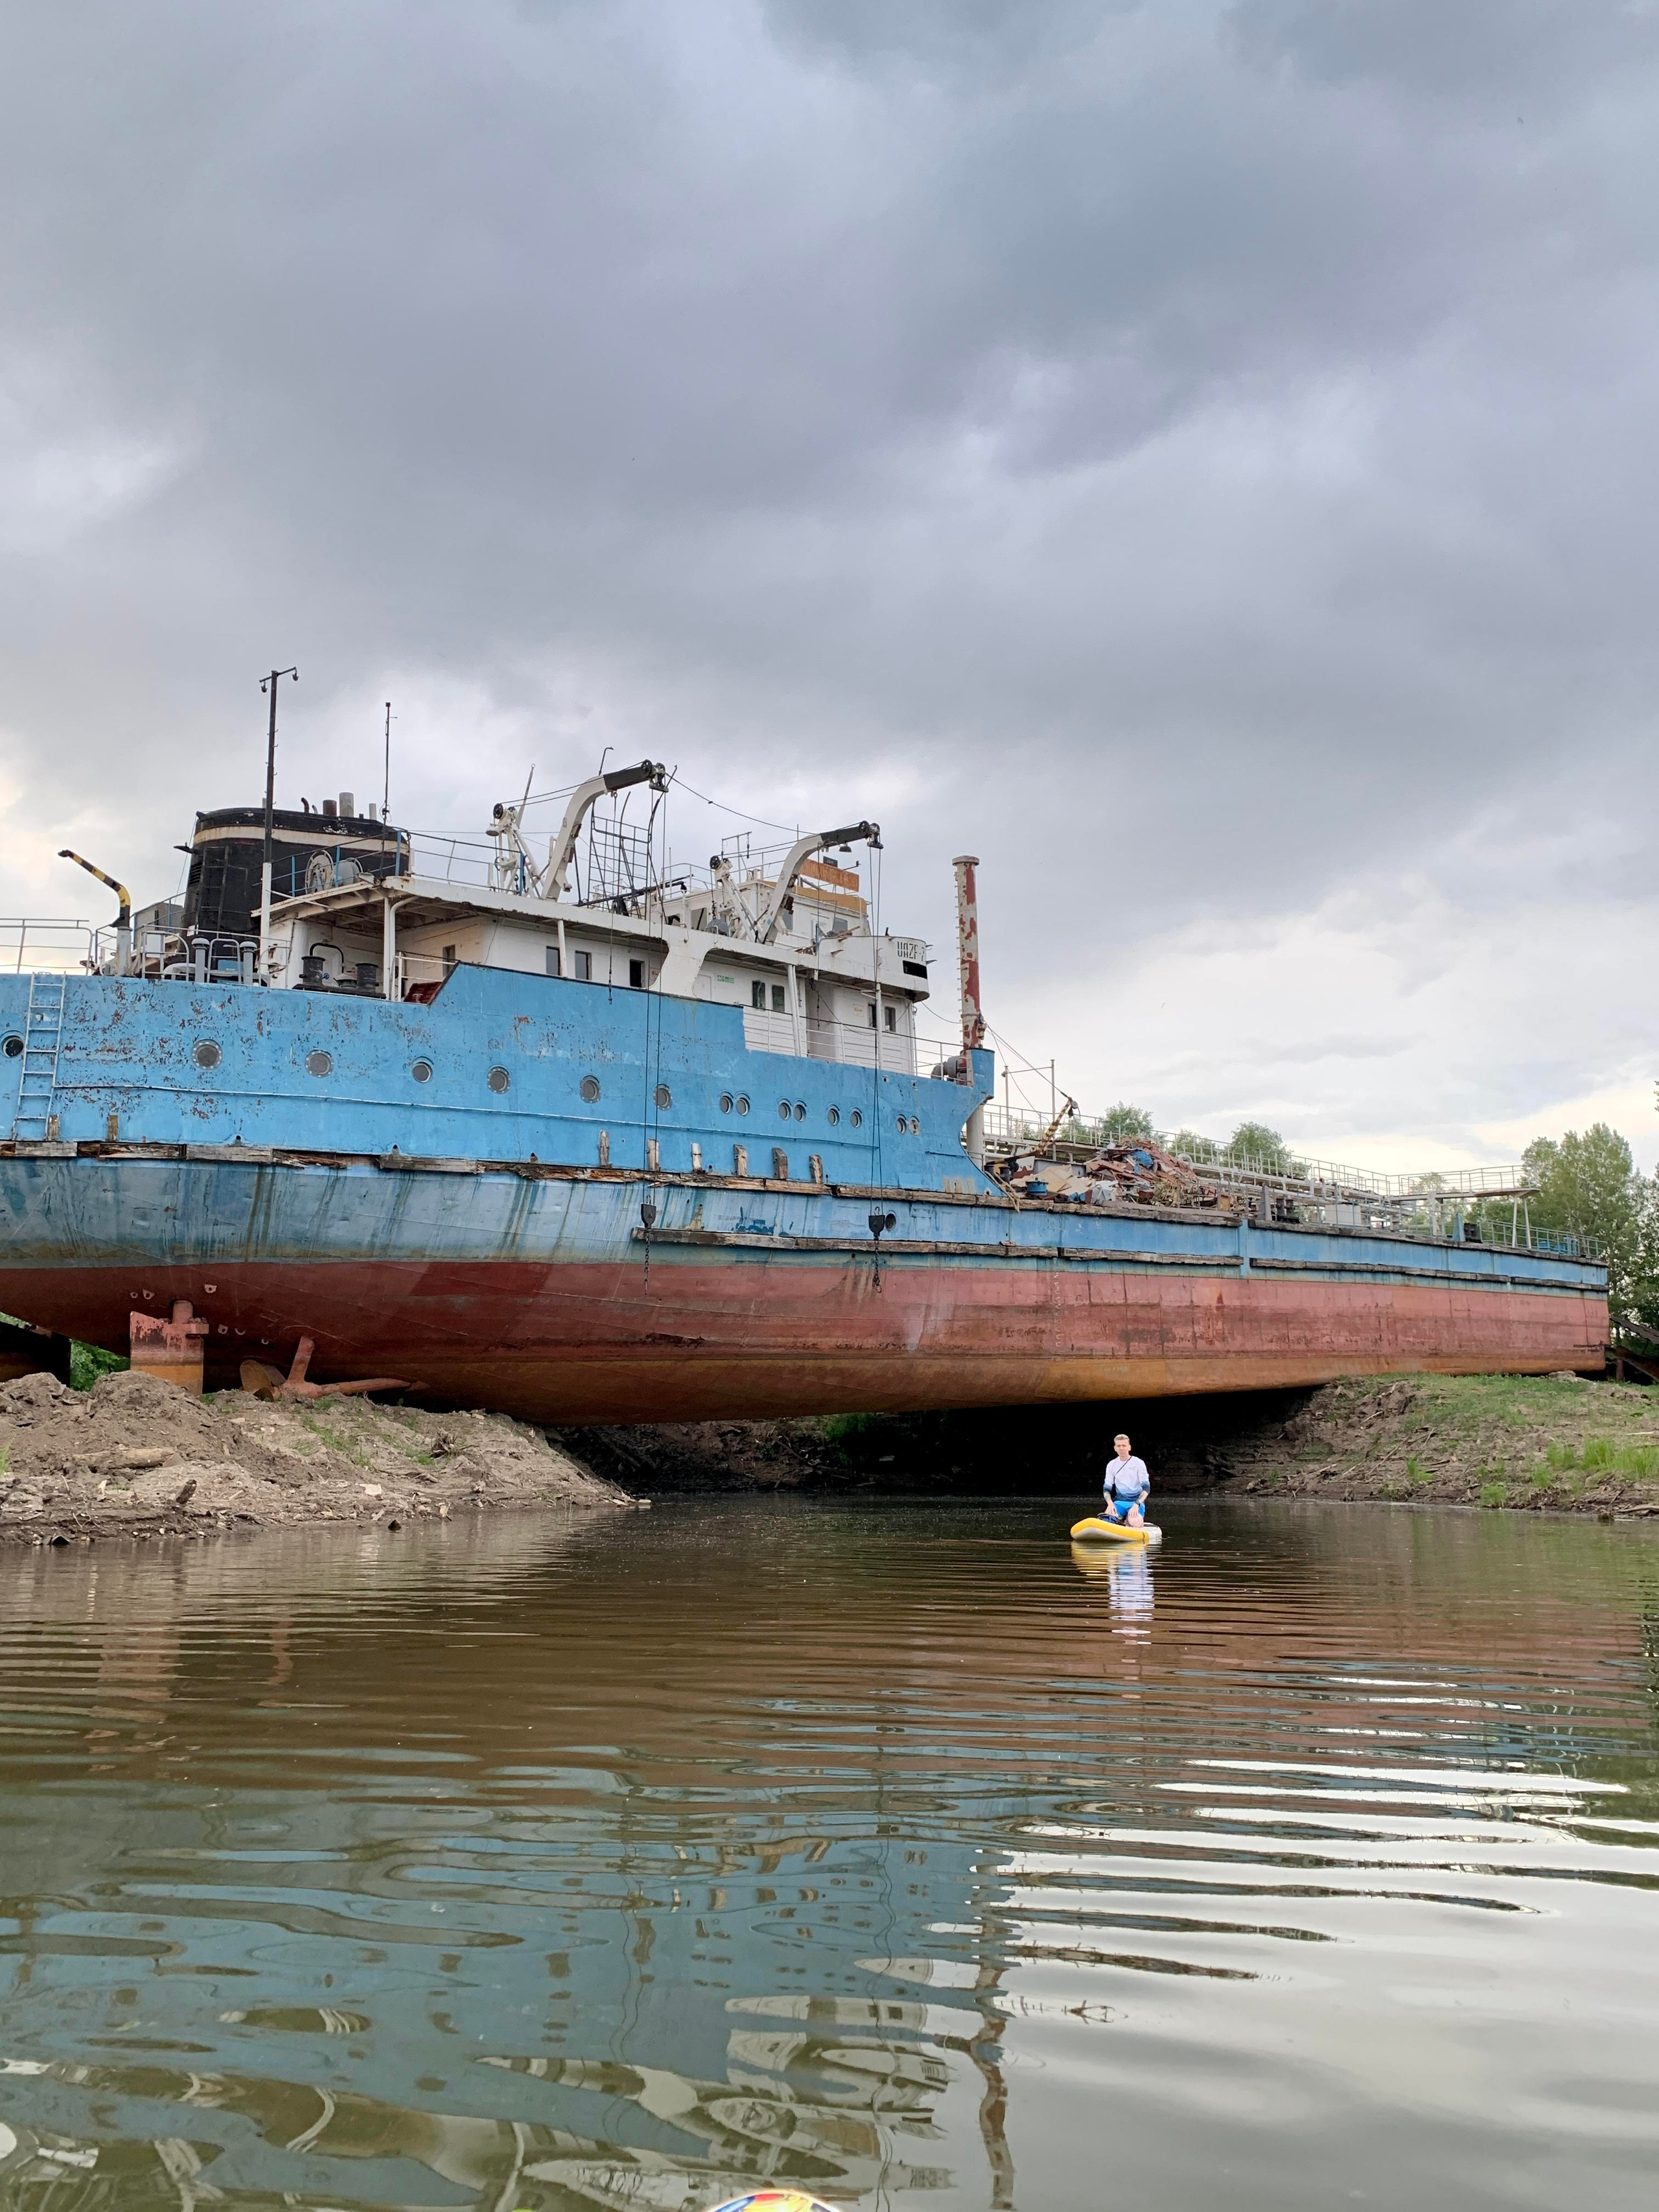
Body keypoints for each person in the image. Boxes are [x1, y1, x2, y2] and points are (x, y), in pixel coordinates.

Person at [1102, 1432, 1150, 1526]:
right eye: (1119, 1446)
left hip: (1136, 1502)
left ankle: (1128, 1521)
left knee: (1135, 1523)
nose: (1121, 1448)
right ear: (1115, 1448)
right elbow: (1107, 1488)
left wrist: (1137, 1504)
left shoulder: (1139, 1463)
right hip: (1119, 1502)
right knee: (1107, 1521)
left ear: (1129, 1447)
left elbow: (1146, 1488)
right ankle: (1119, 1519)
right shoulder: (1111, 1465)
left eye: (1124, 1445)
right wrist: (1110, 1503)